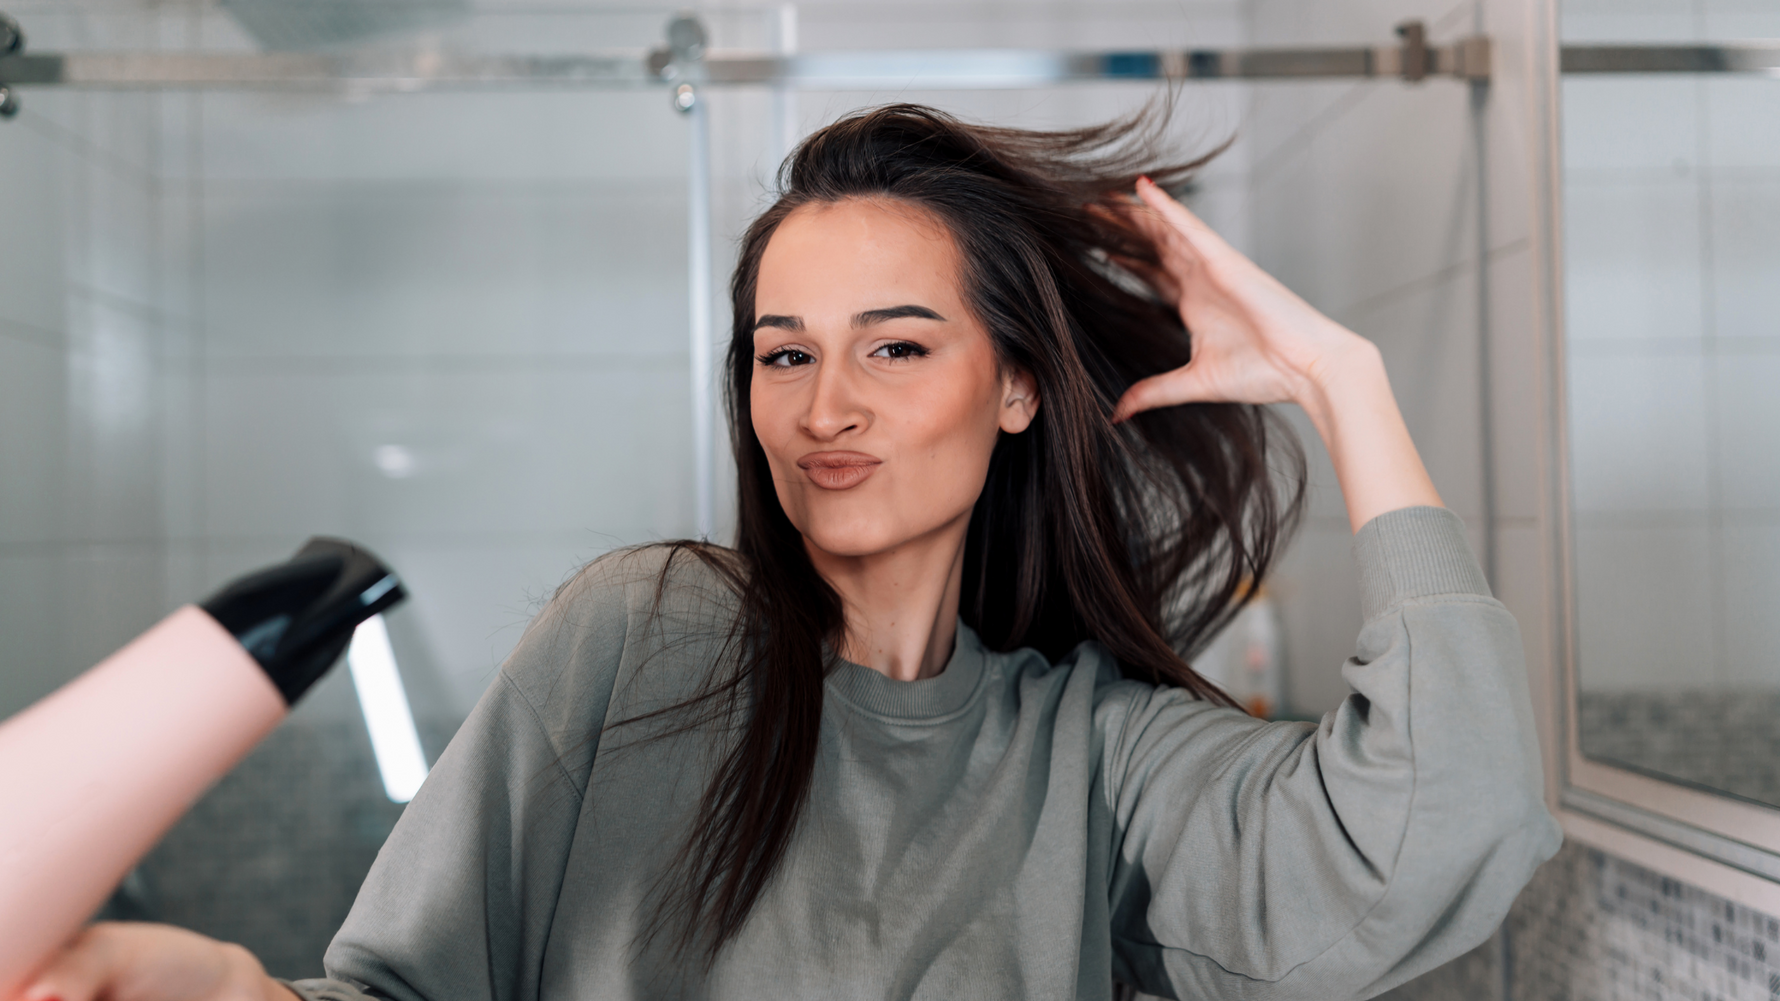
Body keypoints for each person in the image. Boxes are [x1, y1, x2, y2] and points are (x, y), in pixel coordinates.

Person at [23, 103, 1559, 1001]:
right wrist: (215, 987)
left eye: (897, 349)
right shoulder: (643, 637)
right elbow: (397, 995)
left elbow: (1438, 839)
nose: (827, 406)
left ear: (1018, 385)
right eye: (782, 354)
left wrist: (1344, 386)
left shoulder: (1099, 748)